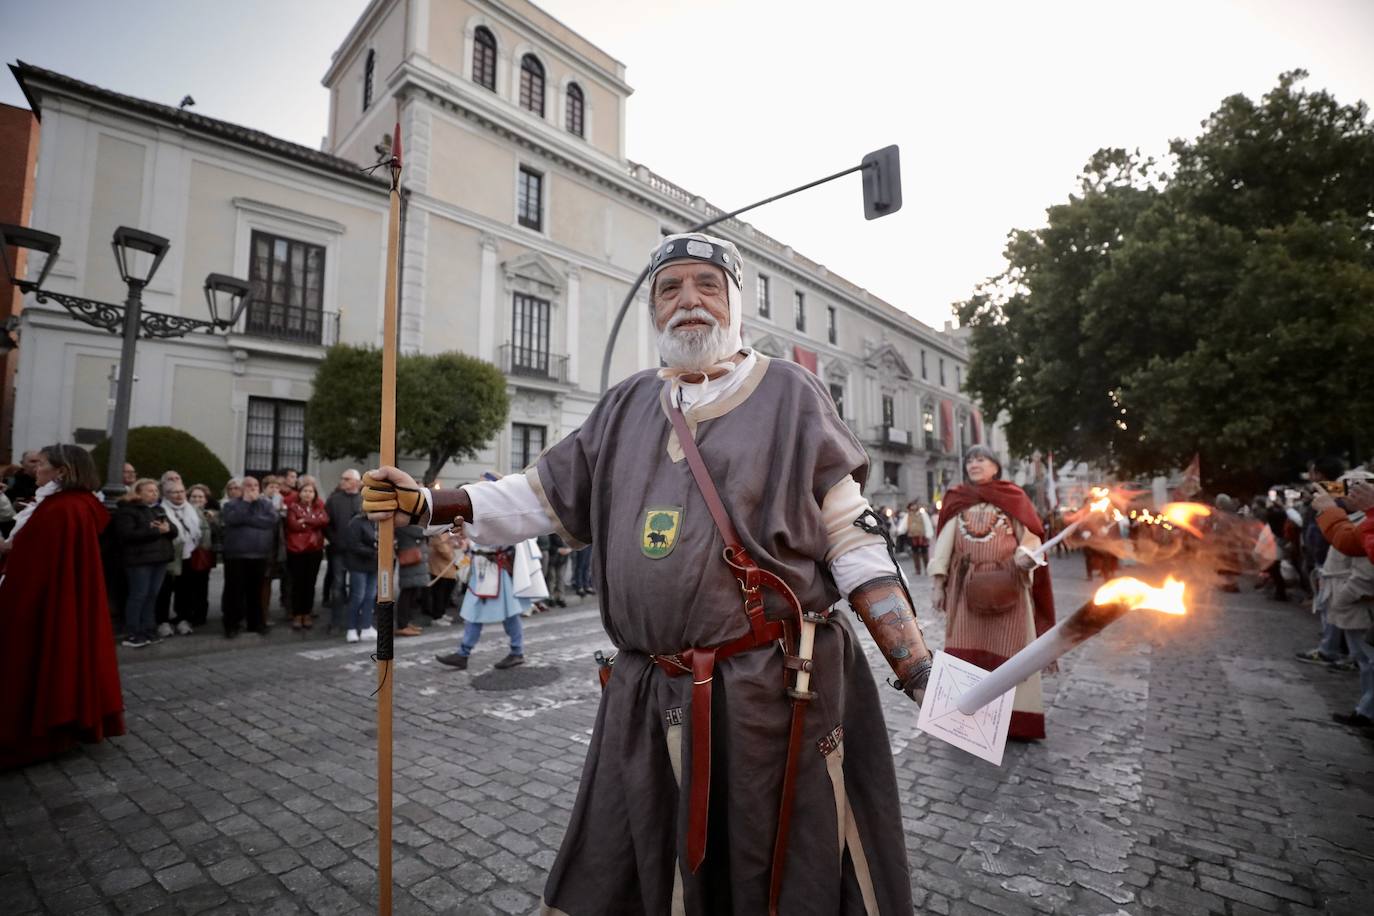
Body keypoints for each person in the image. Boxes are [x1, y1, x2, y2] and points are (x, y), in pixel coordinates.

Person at [364, 232, 933, 914]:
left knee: (767, 869)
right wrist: (429, 502)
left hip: (771, 692)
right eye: (670, 289)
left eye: (706, 285)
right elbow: (536, 496)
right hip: (648, 691)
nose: (687, 301)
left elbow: (850, 535)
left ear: (735, 304)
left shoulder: (789, 393)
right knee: (632, 866)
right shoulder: (626, 404)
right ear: (654, 311)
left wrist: (916, 666)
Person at [0, 445, 125, 768]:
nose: (35, 470)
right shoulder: (70, 505)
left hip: (39, 604)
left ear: (61, 472)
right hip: (48, 598)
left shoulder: (62, 510)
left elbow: (34, 566)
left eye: (41, 465)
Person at [930, 444, 1056, 741]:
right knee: (962, 647)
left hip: (1009, 584)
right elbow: (944, 545)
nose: (974, 464)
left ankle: (1016, 722)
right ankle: (963, 717)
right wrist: (938, 584)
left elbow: (1031, 537)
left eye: (981, 459)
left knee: (1012, 652)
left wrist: (1027, 555)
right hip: (965, 588)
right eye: (971, 459)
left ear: (995, 466)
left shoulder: (1013, 497)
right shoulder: (957, 499)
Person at [1310, 479, 1374, 729]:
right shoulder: (1360, 519)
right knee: (1364, 660)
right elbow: (1345, 539)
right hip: (1352, 599)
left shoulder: (1364, 520)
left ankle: (1367, 712)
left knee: (1370, 661)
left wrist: (1345, 595)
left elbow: (1364, 565)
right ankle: (1365, 710)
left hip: (1360, 601)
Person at [113, 478, 177, 648]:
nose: (154, 494)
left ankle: (149, 629)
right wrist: (155, 530)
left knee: (152, 595)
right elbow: (126, 534)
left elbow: (174, 530)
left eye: (156, 491)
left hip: (160, 558)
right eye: (150, 491)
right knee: (138, 595)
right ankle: (133, 633)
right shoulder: (128, 511)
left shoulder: (159, 509)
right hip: (139, 560)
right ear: (138, 492)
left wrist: (168, 529)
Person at [220, 477, 278, 637]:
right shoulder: (231, 505)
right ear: (241, 488)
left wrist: (248, 520)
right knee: (234, 591)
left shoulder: (266, 504)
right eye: (248, 486)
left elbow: (272, 521)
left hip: (259, 555)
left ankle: (256, 623)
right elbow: (233, 519)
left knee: (255, 592)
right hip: (236, 555)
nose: (252, 488)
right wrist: (246, 503)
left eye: (255, 485)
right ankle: (231, 624)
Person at [156, 478, 205, 636]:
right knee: (165, 589)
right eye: (174, 492)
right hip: (169, 555)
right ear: (166, 494)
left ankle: (182, 618)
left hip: (187, 553)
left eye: (182, 491)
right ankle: (162, 621)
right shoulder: (160, 510)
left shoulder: (192, 509)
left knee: (185, 589)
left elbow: (200, 530)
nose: (179, 495)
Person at [284, 480, 329, 630]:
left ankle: (307, 613)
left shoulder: (318, 507)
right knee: (298, 583)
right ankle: (297, 614)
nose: (308, 494)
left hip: (314, 550)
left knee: (310, 583)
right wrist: (313, 522)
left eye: (311, 491)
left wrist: (305, 520)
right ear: (300, 493)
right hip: (297, 551)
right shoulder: (293, 507)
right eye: (305, 491)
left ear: (315, 494)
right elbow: (293, 525)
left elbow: (324, 520)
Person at [324, 469, 363, 633]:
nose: (343, 481)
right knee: (338, 586)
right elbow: (326, 524)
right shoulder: (333, 500)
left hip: (359, 552)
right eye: (342, 478)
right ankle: (335, 622)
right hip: (339, 551)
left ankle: (354, 622)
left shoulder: (364, 500)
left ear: (356, 482)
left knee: (357, 588)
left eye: (346, 479)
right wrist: (335, 540)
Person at [180, 484, 217, 628]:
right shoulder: (181, 512)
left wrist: (212, 520)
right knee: (184, 586)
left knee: (201, 586)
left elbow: (217, 533)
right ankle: (184, 614)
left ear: (206, 500)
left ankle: (200, 615)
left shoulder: (211, 514)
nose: (197, 499)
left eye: (200, 497)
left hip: (202, 553)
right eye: (194, 496)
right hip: (186, 553)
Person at [342, 510, 378, 643]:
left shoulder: (378, 522)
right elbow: (353, 544)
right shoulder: (357, 521)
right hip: (359, 564)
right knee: (358, 596)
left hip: (373, 564)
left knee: (370, 595)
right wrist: (374, 550)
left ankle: (366, 626)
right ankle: (351, 628)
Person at [395, 523, 428, 637]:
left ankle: (406, 623)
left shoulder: (405, 527)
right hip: (411, 563)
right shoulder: (406, 527)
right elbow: (423, 532)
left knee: (411, 594)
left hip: (414, 564)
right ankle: (402, 625)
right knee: (407, 594)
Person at [425, 529, 462, 625]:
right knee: (439, 594)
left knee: (445, 593)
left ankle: (442, 613)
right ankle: (437, 617)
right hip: (439, 571)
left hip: (447, 569)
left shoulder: (444, 533)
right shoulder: (437, 534)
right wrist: (453, 550)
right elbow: (444, 551)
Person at [906, 499, 934, 575]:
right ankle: (917, 570)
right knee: (915, 553)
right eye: (912, 505)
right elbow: (904, 524)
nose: (913, 507)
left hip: (922, 536)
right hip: (913, 536)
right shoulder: (908, 515)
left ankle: (927, 569)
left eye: (914, 505)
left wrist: (929, 534)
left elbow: (927, 523)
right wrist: (899, 531)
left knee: (924, 552)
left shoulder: (923, 514)